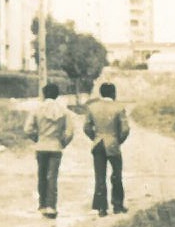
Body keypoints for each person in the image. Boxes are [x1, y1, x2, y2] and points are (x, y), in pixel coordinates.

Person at [83, 81, 131, 215]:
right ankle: (117, 205)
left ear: (101, 93)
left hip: (98, 144)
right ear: (113, 93)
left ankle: (101, 208)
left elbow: (86, 127)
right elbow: (125, 129)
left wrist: (95, 137)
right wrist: (118, 140)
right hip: (113, 144)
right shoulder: (119, 108)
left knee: (100, 176)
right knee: (116, 175)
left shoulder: (92, 107)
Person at [28, 82, 74, 217]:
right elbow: (70, 132)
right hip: (56, 147)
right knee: (52, 177)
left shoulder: (37, 109)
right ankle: (51, 207)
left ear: (44, 94)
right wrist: (62, 143)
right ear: (57, 95)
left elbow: (28, 129)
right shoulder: (64, 111)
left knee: (41, 176)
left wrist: (37, 138)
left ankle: (42, 205)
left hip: (41, 146)